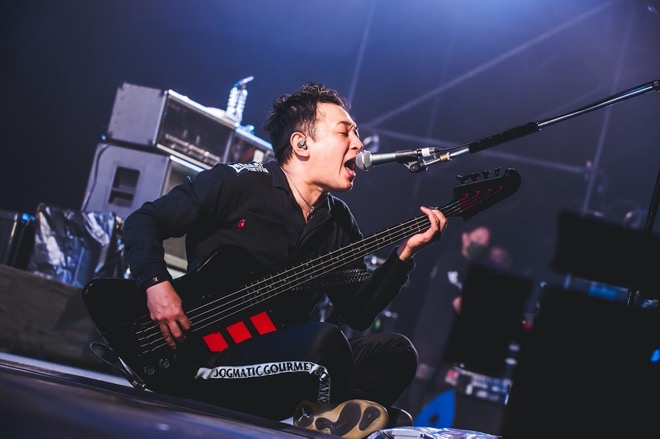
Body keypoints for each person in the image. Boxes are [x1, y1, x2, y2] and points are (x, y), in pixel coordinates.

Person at [122, 82, 447, 437]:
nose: (358, 144)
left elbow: (358, 312)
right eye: (345, 133)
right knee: (324, 342)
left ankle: (326, 419)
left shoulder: (338, 222)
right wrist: (157, 285)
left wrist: (404, 255)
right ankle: (332, 416)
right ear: (301, 144)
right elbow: (144, 221)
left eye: (356, 134)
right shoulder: (236, 183)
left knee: (396, 351)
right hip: (211, 357)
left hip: (290, 362)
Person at [401, 224, 492, 418]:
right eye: (478, 238)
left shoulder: (473, 269)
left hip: (450, 343)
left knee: (441, 391)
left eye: (485, 243)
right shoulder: (452, 260)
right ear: (466, 237)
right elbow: (460, 305)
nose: (481, 245)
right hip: (431, 337)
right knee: (418, 385)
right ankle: (406, 426)